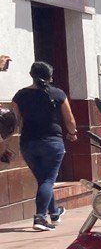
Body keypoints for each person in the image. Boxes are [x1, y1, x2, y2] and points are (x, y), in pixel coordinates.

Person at [12, 61, 76, 230]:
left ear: (31, 75)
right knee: (48, 180)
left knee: (43, 180)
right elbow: (69, 120)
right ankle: (40, 217)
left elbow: (14, 122)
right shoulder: (57, 93)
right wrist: (73, 133)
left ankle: (54, 212)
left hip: (28, 143)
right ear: (50, 76)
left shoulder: (20, 95)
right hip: (52, 143)